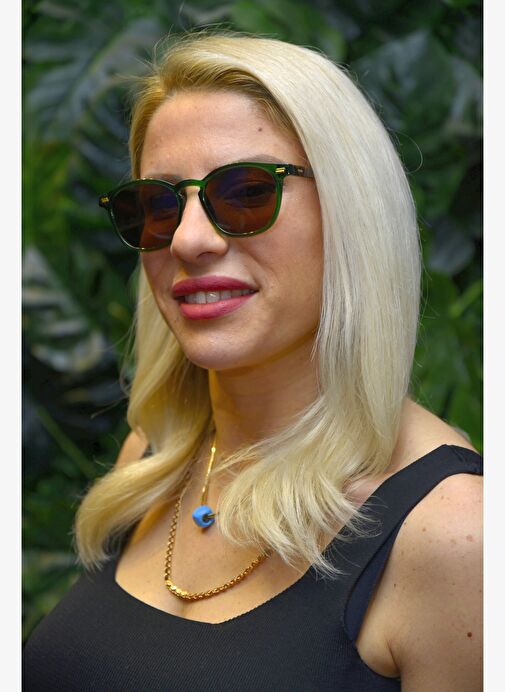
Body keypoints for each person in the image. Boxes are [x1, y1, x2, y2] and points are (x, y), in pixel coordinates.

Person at [23, 31, 482, 691]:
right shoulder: (154, 457)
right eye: (157, 206)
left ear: (352, 213)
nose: (188, 240)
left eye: (244, 193)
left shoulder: (456, 535)